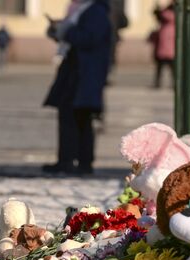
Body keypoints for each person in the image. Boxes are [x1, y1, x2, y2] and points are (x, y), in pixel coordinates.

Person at [42, 0, 112, 175]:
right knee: (71, 116)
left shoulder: (95, 10)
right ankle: (67, 160)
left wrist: (67, 30)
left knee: (79, 117)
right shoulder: (80, 9)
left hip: (85, 72)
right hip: (76, 70)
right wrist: (58, 29)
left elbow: (89, 38)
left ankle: (80, 162)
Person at [150, 1, 175, 88]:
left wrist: (159, 10)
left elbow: (160, 15)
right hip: (168, 47)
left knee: (163, 66)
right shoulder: (170, 18)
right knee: (167, 66)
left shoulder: (168, 16)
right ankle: (171, 83)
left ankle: (158, 83)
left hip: (166, 47)